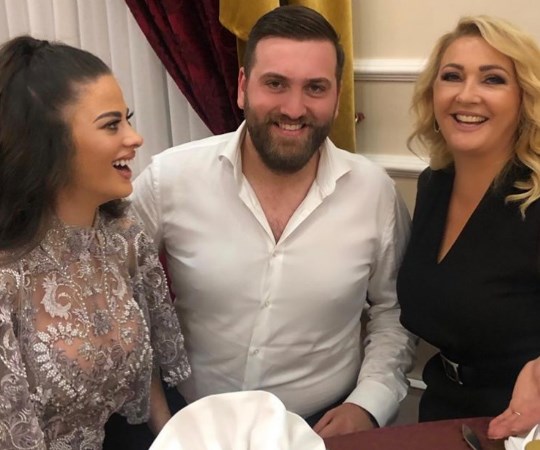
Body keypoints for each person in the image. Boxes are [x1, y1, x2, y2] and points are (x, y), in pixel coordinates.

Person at [132, 5, 416, 438]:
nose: (294, 108)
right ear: (243, 87)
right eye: (276, 83)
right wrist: (162, 421)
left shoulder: (374, 192)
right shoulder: (168, 179)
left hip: (323, 425)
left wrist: (369, 403)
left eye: (315, 88)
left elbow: (393, 310)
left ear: (337, 96)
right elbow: (110, 295)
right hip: (189, 422)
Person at [0, 35, 190, 449]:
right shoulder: (7, 277)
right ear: (46, 144)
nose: (135, 138)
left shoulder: (123, 239)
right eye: (111, 124)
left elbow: (147, 370)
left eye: (128, 119)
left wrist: (175, 440)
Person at [396, 15, 540, 436]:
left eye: (492, 79)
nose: (466, 95)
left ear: (524, 98)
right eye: (452, 76)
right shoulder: (434, 184)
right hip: (444, 410)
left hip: (524, 427)